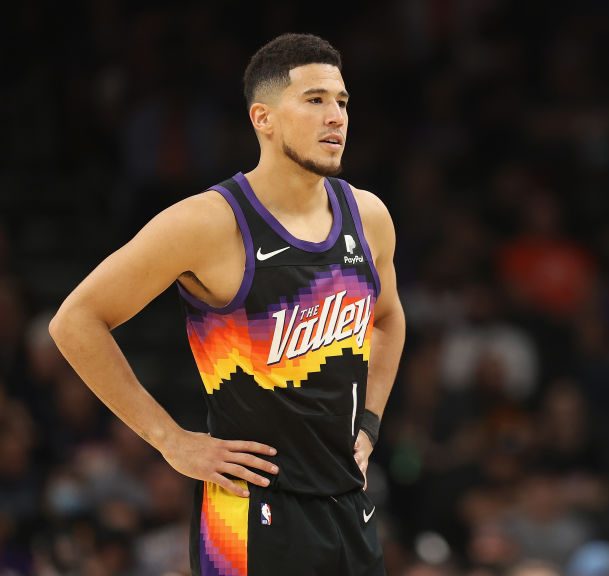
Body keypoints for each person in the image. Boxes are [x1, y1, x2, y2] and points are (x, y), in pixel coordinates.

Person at [49, 33, 404, 575]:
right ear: (263, 118)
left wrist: (372, 423)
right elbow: (75, 321)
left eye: (342, 101)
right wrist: (170, 441)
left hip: (348, 502)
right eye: (314, 100)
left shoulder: (369, 216)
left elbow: (388, 319)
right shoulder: (208, 222)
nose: (336, 116)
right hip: (248, 512)